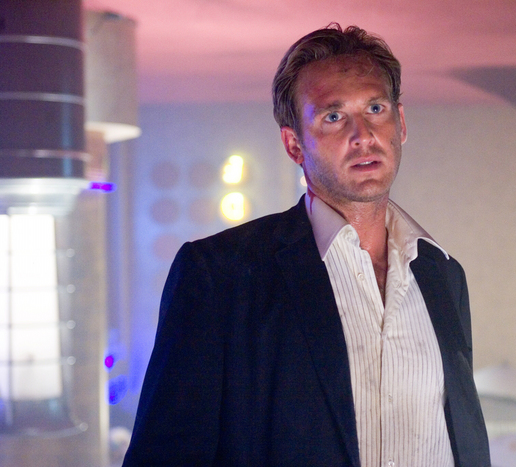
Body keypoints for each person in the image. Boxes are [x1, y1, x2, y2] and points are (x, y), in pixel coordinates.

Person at [123, 24, 490, 467]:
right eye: (333, 117)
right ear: (294, 144)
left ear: (401, 123)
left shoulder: (443, 275)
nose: (363, 134)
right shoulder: (219, 274)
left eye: (375, 108)